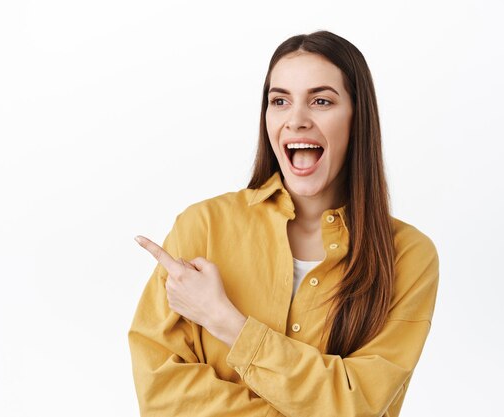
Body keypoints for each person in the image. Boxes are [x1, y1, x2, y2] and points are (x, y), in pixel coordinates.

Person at [128, 30, 439, 417]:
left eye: (321, 101)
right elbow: (163, 395)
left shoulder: (408, 255)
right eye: (280, 101)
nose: (296, 120)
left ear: (358, 118)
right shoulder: (201, 227)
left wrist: (224, 320)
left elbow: (358, 404)